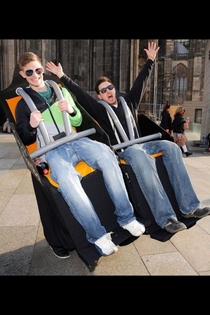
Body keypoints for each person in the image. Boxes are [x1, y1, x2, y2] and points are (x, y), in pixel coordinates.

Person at [46, 41, 210, 234]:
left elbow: (141, 82)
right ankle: (166, 219)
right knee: (139, 155)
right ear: (99, 96)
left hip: (142, 145)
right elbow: (80, 95)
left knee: (172, 147)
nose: (109, 91)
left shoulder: (129, 101)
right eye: (104, 90)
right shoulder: (99, 109)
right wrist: (62, 76)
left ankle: (190, 207)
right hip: (125, 151)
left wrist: (150, 61)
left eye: (110, 87)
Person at [15, 52, 146, 259]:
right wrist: (31, 125)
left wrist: (71, 111)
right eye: (29, 72)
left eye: (38, 70)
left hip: (76, 139)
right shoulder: (23, 104)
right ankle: (97, 235)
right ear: (23, 74)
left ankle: (126, 217)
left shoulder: (59, 90)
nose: (35, 75)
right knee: (67, 180)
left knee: (106, 155)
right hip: (53, 149)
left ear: (42, 69)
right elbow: (24, 137)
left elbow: (76, 121)